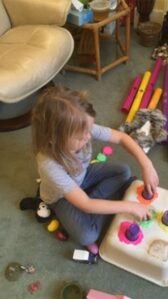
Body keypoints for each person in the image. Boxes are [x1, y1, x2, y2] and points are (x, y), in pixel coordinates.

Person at [31, 86, 159, 254]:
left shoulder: (82, 127)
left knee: (123, 171)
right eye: (80, 137)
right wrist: (130, 207)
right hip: (60, 198)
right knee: (87, 236)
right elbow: (87, 205)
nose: (89, 136)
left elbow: (121, 137)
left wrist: (146, 164)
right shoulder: (49, 165)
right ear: (53, 139)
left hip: (83, 176)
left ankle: (100, 203)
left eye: (88, 131)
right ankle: (101, 204)